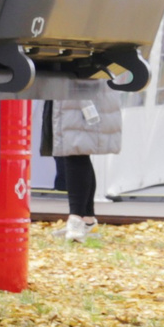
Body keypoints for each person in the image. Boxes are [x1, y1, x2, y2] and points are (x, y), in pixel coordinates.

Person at [46, 95, 120, 242]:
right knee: (78, 153)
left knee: (75, 153)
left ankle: (76, 220)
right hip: (78, 98)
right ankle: (87, 221)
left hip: (78, 97)